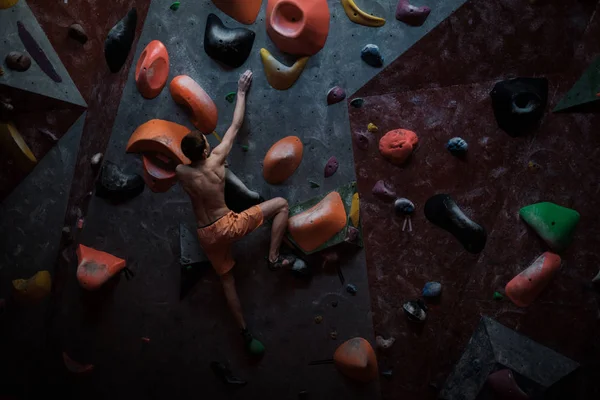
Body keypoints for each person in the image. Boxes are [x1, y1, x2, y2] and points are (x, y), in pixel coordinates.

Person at [176, 70, 295, 356]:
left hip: (206, 236)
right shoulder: (216, 160)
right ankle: (273, 258)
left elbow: (188, 166)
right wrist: (241, 92)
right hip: (227, 226)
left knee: (226, 280)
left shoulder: (181, 172)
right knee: (281, 204)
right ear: (206, 150)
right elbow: (235, 124)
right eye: (206, 142)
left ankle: (244, 332)